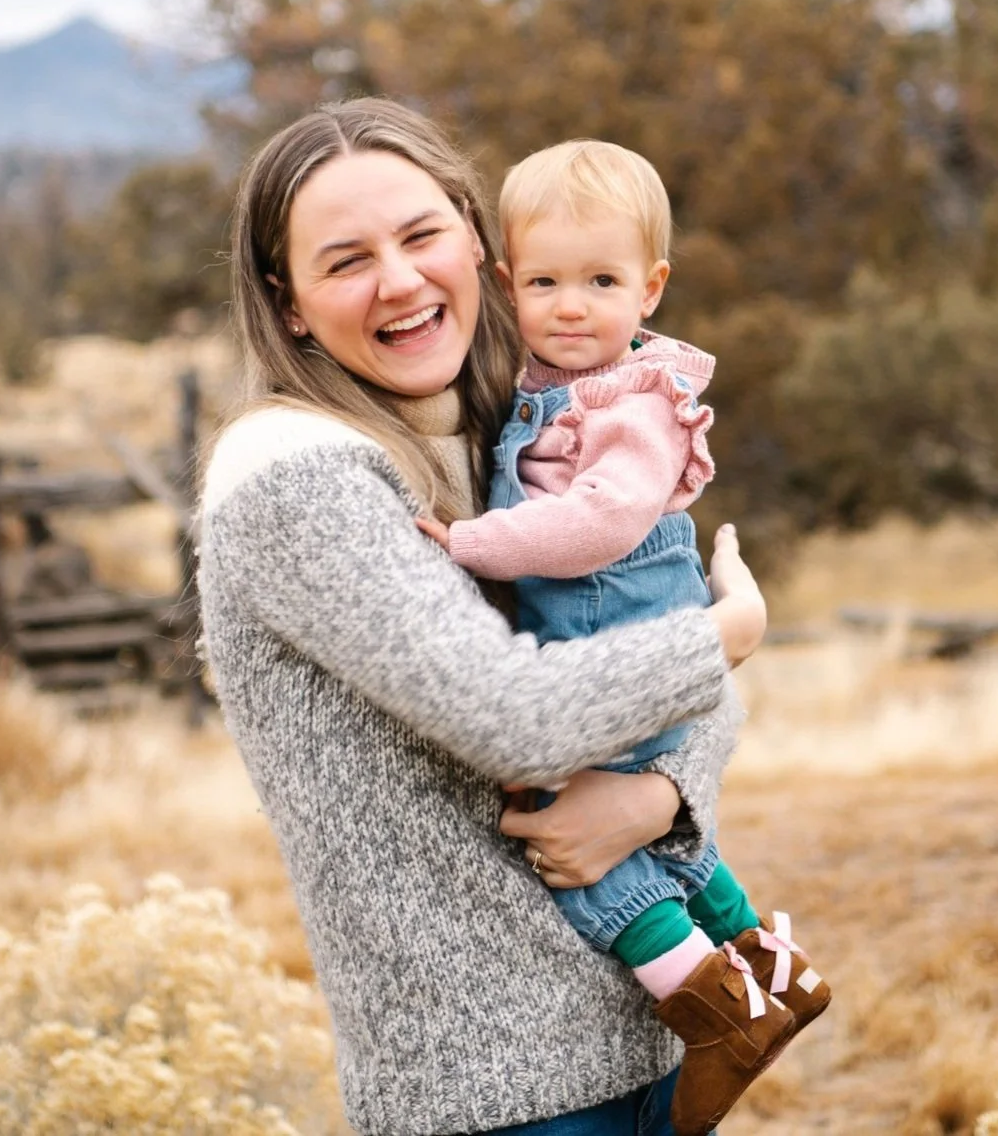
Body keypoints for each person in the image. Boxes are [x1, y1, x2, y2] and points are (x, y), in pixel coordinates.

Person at [199, 98, 764, 1136]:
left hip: (651, 1047)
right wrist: (729, 636)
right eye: (346, 259)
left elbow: (658, 674)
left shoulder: (525, 426)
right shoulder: (290, 476)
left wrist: (657, 798)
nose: (402, 280)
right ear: (287, 305)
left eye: (421, 236)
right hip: (492, 1092)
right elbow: (522, 718)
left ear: (475, 239)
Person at [417, 140, 831, 1132]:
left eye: (600, 281)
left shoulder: (635, 403)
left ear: (650, 289)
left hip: (626, 660)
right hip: (624, 658)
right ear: (508, 283)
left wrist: (473, 544)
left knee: (584, 848)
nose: (571, 305)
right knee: (672, 843)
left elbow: (597, 523)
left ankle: (715, 1009)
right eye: (547, 281)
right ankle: (767, 966)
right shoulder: (542, 382)